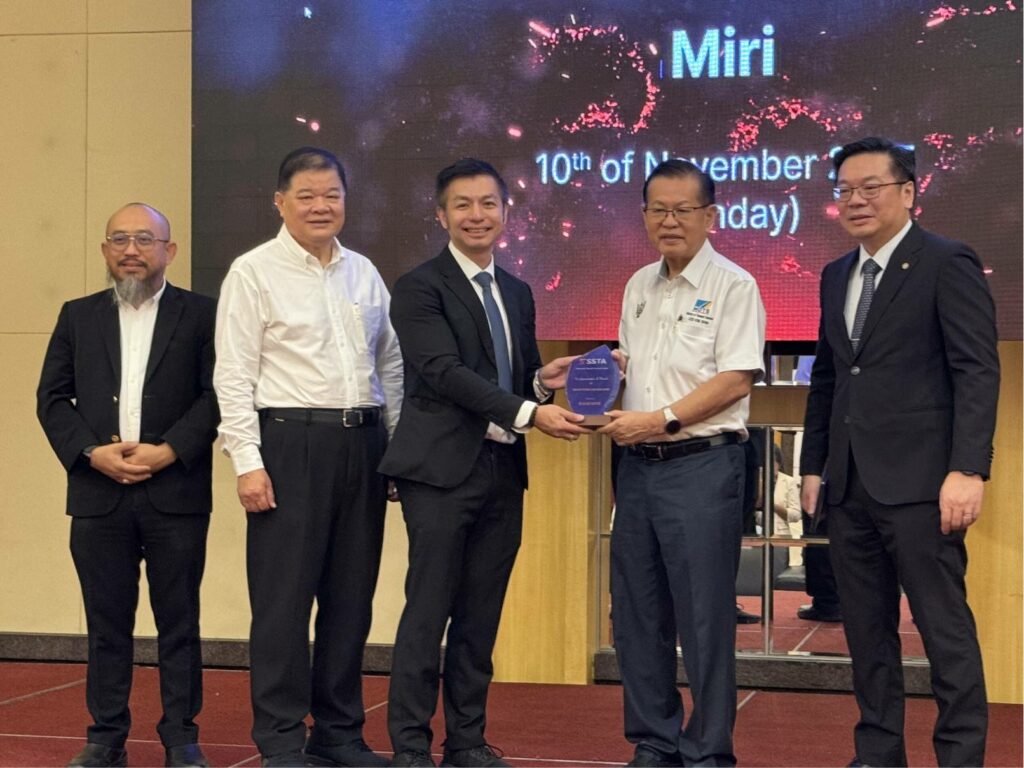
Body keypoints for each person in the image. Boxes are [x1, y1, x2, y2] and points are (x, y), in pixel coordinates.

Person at [380, 158, 588, 768]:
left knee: (480, 615)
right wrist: (530, 412)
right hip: (440, 473)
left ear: (506, 213)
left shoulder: (518, 291)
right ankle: (411, 746)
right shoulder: (419, 287)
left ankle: (466, 741)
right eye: (463, 205)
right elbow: (443, 373)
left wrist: (541, 384)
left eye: (489, 204)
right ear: (440, 214)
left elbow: (510, 379)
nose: (478, 215)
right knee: (429, 611)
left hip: (502, 470)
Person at [800, 136, 999, 767]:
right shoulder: (836, 274)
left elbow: (976, 371)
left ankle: (960, 757)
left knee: (944, 634)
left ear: (908, 193)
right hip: (850, 485)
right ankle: (879, 753)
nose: (855, 201)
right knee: (867, 635)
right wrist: (813, 464)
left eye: (870, 188)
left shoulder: (947, 261)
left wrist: (968, 468)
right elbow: (830, 377)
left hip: (923, 485)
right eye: (844, 191)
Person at [214, 147, 402, 768]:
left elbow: (390, 365)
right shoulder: (253, 271)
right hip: (288, 444)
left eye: (333, 196)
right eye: (307, 196)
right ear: (280, 202)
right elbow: (234, 376)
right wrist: (247, 460)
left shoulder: (364, 271)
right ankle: (280, 739)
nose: (322, 207)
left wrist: (396, 449)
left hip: (363, 443)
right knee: (283, 600)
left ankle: (340, 733)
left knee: (352, 596)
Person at [37, 203, 218, 768]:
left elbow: (219, 394)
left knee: (179, 622)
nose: (132, 250)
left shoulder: (202, 314)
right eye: (120, 239)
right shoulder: (77, 316)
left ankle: (180, 737)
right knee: (106, 623)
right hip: (99, 493)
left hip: (177, 492)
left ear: (170, 250)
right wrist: (92, 453)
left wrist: (171, 450)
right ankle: (106, 735)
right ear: (105, 251)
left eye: (145, 238)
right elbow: (52, 399)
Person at [600, 159, 766, 767]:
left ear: (709, 216)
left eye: (683, 210)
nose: (669, 221)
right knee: (638, 612)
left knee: (704, 619)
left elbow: (735, 379)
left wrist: (661, 417)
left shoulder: (734, 285)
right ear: (644, 216)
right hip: (637, 468)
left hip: (704, 465)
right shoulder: (637, 285)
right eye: (657, 210)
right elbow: (632, 372)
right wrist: (602, 383)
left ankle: (706, 751)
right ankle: (653, 741)